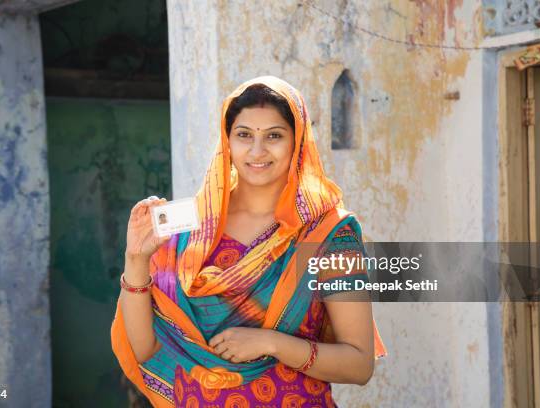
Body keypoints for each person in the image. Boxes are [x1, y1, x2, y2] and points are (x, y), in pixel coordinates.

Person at [111, 76, 387, 407]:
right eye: (244, 135)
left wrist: (272, 343)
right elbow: (146, 349)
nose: (257, 151)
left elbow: (359, 364)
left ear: (296, 141)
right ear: (227, 141)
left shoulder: (326, 235)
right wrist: (136, 259)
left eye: (274, 135)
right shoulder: (187, 227)